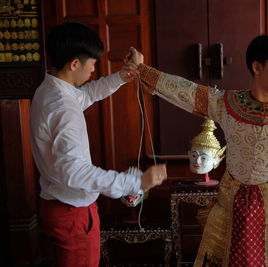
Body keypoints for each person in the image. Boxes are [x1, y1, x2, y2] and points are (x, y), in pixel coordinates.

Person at [129, 34, 268, 267]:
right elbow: (185, 90)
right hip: (231, 205)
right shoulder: (227, 104)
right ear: (257, 67)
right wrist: (142, 69)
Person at [29, 22, 167, 267]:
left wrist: (121, 77)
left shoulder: (50, 89)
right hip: (72, 212)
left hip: (62, 205)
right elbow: (75, 172)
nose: (94, 69)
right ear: (74, 64)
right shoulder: (62, 108)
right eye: (92, 63)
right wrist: (136, 182)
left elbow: (85, 95)